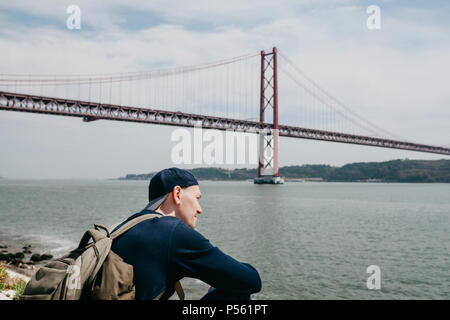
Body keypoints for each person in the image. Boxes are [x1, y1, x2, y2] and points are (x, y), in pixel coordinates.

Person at [111, 167, 262, 300]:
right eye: (196, 198)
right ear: (177, 193)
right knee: (237, 292)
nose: (199, 209)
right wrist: (221, 281)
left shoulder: (123, 227)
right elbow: (252, 281)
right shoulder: (173, 232)